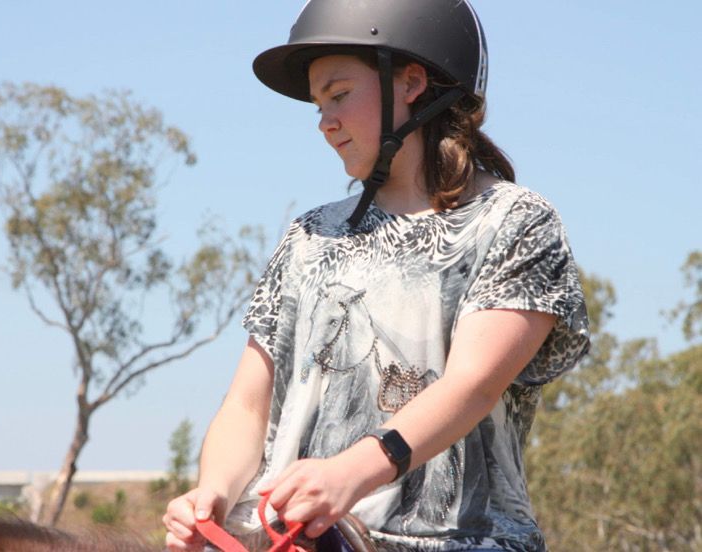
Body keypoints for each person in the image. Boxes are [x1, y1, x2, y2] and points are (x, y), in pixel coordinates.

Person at [164, 1, 590, 550]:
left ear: (412, 83)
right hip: (284, 538)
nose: (325, 123)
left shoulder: (516, 221)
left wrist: (353, 470)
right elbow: (249, 403)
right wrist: (213, 492)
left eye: (339, 95)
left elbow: (473, 384)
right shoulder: (309, 234)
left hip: (455, 539)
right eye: (318, 106)